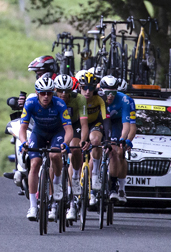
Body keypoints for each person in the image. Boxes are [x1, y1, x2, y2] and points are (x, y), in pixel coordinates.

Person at [18, 74, 74, 221]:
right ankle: (33, 206)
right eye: (42, 93)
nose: (46, 96)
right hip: (39, 134)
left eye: (49, 93)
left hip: (57, 133)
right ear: (37, 93)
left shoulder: (60, 104)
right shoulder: (30, 103)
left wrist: (65, 143)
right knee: (35, 163)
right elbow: (22, 128)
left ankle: (56, 187)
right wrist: (24, 142)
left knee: (55, 155)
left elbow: (69, 130)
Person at [54, 72, 106, 221]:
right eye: (60, 91)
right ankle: (50, 198)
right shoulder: (51, 97)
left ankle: (75, 182)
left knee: (74, 148)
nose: (64, 94)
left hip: (74, 125)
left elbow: (83, 125)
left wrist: (83, 141)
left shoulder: (79, 99)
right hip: (57, 126)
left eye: (67, 91)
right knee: (52, 155)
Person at [72, 70, 109, 207]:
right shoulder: (74, 98)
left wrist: (107, 138)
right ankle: (75, 178)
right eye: (84, 88)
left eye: (91, 88)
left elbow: (105, 119)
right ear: (79, 88)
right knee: (74, 149)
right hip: (78, 125)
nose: (87, 92)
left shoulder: (100, 98)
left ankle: (95, 174)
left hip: (94, 124)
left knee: (95, 141)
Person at [99, 75, 136, 202]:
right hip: (101, 122)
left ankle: (119, 187)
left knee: (118, 151)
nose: (110, 96)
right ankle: (92, 185)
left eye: (113, 92)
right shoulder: (95, 97)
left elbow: (129, 126)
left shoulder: (125, 100)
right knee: (94, 147)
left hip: (117, 123)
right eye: (107, 92)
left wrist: (124, 140)